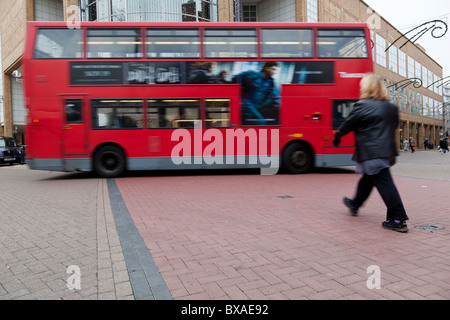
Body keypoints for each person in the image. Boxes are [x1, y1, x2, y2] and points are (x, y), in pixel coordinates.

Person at [333, 74, 409, 233]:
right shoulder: (391, 107)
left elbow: (348, 124)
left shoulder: (362, 105)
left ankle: (398, 219)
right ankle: (355, 204)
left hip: (371, 151)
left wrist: (337, 136)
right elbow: (393, 126)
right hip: (386, 151)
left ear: (366, 88)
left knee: (384, 182)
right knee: (368, 179)